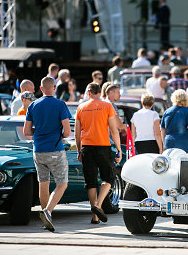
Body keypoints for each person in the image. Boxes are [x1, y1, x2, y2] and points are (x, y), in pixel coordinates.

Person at [23, 76, 72, 232]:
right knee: (62, 184)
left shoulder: (33, 106)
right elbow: (67, 131)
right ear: (55, 87)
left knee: (43, 183)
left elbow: (26, 132)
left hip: (38, 150)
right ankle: (47, 211)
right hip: (55, 149)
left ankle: (46, 219)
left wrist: (39, 132)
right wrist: (60, 135)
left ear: (41, 88)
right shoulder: (60, 104)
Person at [74, 83, 122, 224]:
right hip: (103, 146)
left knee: (91, 183)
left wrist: (79, 150)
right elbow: (114, 131)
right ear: (101, 93)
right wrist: (119, 149)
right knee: (108, 178)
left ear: (88, 93)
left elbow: (77, 134)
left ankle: (95, 217)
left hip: (87, 147)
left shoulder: (81, 107)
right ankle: (98, 205)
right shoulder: (107, 107)